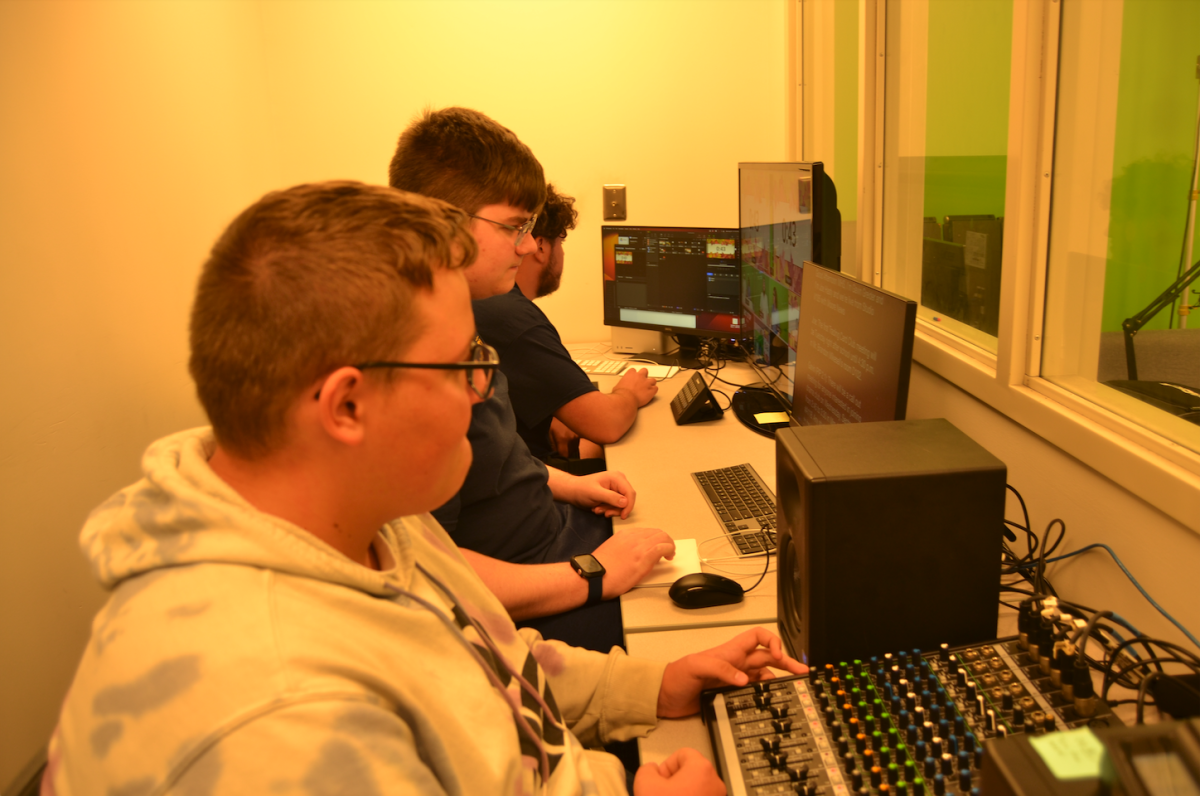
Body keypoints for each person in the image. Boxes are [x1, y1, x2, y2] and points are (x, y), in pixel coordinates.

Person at [42, 180, 806, 795]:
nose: (485, 390)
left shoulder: (372, 521)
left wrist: (655, 685)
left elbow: (489, 661)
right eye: (460, 363)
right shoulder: (279, 719)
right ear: (346, 406)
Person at [389, 107, 669, 652]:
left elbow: (492, 466)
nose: (527, 246)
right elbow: (431, 573)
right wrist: (593, 572)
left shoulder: (462, 322)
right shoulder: (404, 366)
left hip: (556, 538)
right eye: (514, 227)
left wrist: (568, 484)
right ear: (441, 223)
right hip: (532, 586)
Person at [473, 183, 658, 470]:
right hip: (528, 486)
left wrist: (554, 413)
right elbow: (606, 424)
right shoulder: (514, 318)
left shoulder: (490, 303)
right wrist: (629, 394)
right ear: (542, 246)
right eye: (561, 241)